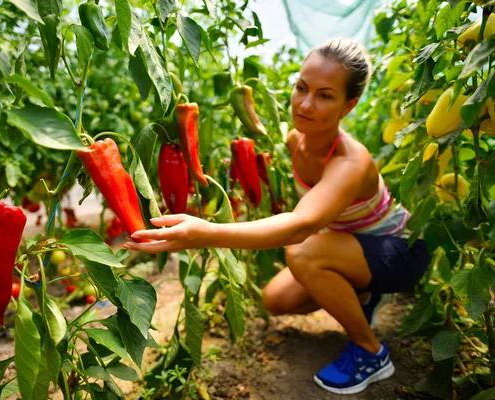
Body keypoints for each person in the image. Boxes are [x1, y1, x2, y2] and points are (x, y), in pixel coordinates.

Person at [123, 37, 430, 395]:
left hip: (401, 251)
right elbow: (261, 137)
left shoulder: (351, 161)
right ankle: (363, 292)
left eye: (325, 95)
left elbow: (301, 225)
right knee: (276, 300)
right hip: (355, 247)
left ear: (350, 105)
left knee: (302, 252)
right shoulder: (294, 141)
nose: (305, 103)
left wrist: (205, 231)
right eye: (301, 88)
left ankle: (371, 351)